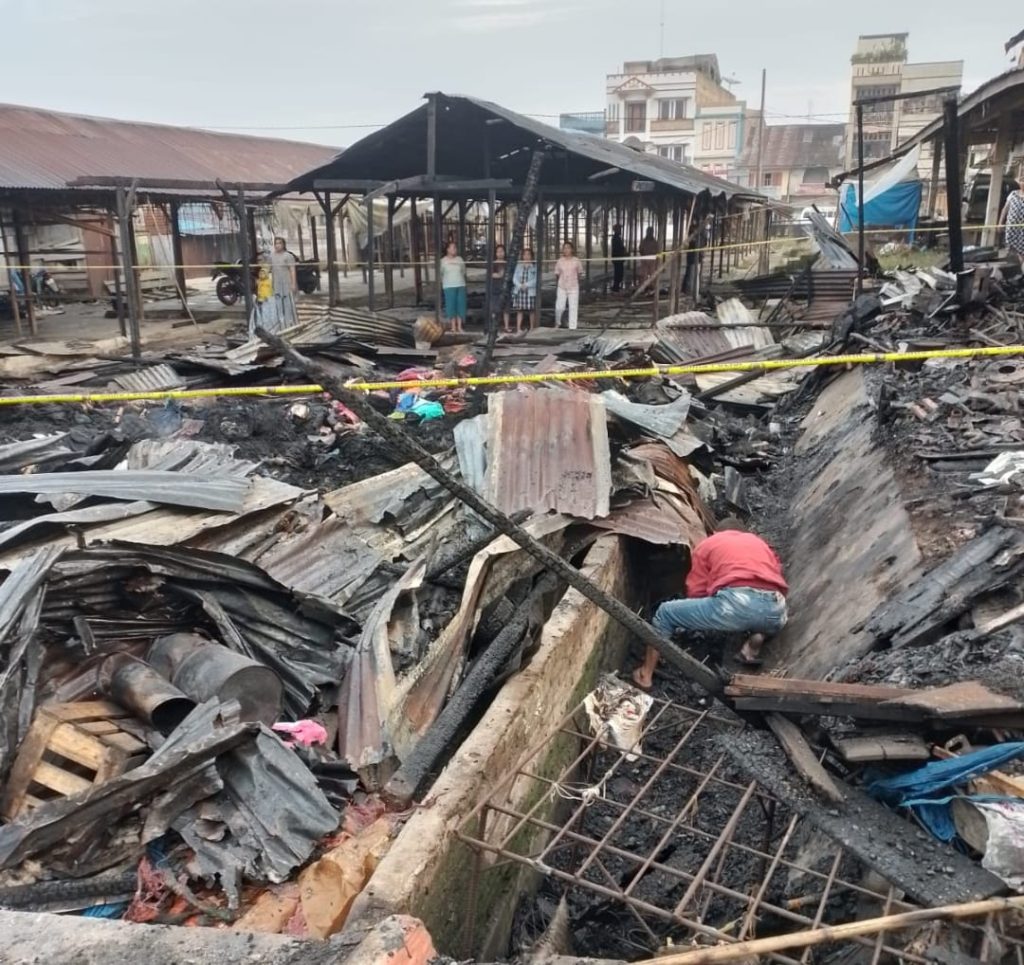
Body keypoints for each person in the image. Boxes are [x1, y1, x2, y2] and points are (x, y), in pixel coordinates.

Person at [632, 519, 788, 689]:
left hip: (736, 605)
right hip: (776, 610)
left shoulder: (709, 543)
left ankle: (645, 675)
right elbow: (776, 572)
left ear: (716, 532)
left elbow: (696, 590)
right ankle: (754, 643)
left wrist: (693, 616)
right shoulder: (760, 544)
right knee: (758, 614)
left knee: (665, 613)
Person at [554, 242, 584, 329]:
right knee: (559, 307)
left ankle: (572, 327)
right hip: (562, 287)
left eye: (568, 248)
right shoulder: (560, 261)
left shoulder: (576, 261)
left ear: (572, 250)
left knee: (573, 307)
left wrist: (574, 281)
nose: (566, 250)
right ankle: (557, 323)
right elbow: (557, 274)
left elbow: (579, 273)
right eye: (564, 248)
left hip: (573, 287)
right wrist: (561, 282)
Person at [269, 237, 298, 328]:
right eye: (276, 243)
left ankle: (289, 324)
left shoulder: (288, 256)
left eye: (279, 243)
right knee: (278, 305)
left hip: (286, 284)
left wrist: (293, 284)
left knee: (288, 304)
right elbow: (269, 269)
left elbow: (292, 270)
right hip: (276, 284)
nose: (277, 245)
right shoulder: (271, 256)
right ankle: (280, 325)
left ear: (283, 244)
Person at [440, 241, 467, 333]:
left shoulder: (460, 259)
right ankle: (453, 327)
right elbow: (441, 273)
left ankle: (459, 327)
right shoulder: (443, 261)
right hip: (449, 286)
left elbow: (463, 271)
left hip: (460, 285)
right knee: (451, 306)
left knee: (460, 306)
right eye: (452, 247)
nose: (454, 249)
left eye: (455, 247)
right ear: (447, 249)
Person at [512, 247, 537, 335]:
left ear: (531, 256)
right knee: (520, 310)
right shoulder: (518, 266)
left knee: (531, 310)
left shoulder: (534, 267)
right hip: (520, 291)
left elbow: (535, 280)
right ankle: (519, 328)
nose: (526, 256)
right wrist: (519, 285)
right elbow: (514, 278)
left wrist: (526, 285)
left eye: (528, 254)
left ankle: (532, 328)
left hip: (530, 291)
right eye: (525, 254)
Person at [491, 244, 511, 333]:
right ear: (495, 253)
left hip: (506, 288)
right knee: (494, 308)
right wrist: (499, 275)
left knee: (506, 309)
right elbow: (491, 275)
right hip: (495, 288)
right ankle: (494, 326)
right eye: (498, 251)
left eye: (502, 251)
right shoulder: (493, 264)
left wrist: (500, 275)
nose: (500, 253)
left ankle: (506, 326)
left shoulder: (507, 263)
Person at [1000, 186, 1024, 258]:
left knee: (1022, 250)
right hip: (1011, 227)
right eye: (1022, 181)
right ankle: (1014, 266)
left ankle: (1020, 266)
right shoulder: (1013, 194)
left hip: (1022, 229)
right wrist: (1000, 223)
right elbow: (1005, 209)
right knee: (1010, 249)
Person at [611, 224, 626, 292]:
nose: (620, 231)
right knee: (618, 273)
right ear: (616, 230)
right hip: (618, 259)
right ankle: (616, 287)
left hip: (619, 258)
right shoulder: (616, 238)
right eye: (619, 229)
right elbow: (617, 249)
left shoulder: (617, 238)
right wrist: (623, 251)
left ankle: (616, 286)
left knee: (619, 273)